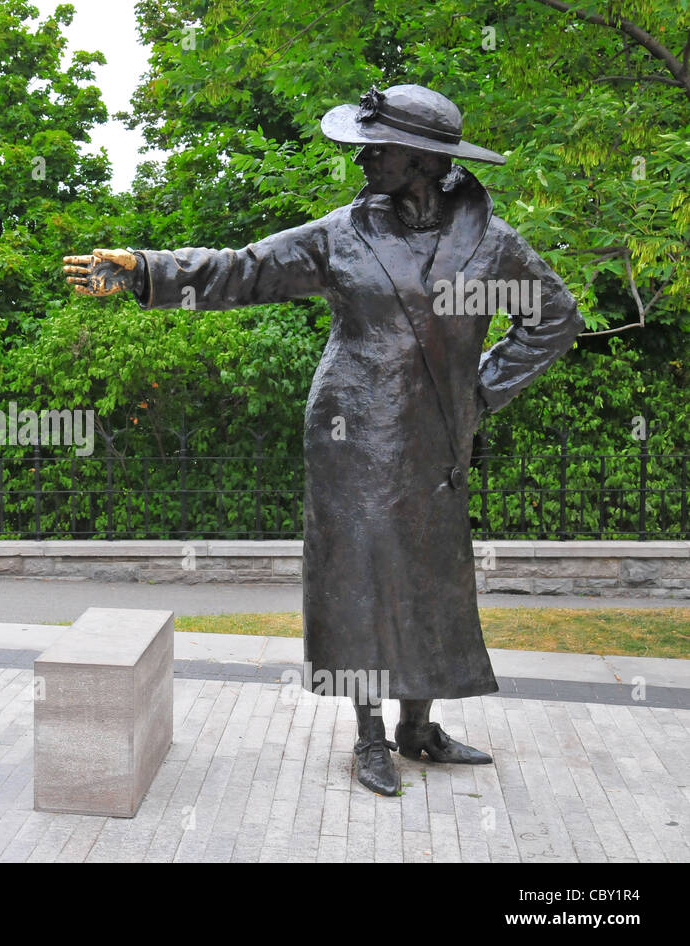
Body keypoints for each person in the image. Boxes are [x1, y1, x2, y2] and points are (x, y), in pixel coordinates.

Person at [63, 84, 584, 796]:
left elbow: (554, 319)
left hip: (434, 441)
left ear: (426, 160)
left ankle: (419, 727)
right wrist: (147, 270)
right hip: (351, 432)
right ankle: (370, 735)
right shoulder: (343, 233)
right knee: (359, 578)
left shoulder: (490, 244)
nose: (363, 158)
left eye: (380, 147)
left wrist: (478, 394)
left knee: (429, 577)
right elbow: (244, 269)